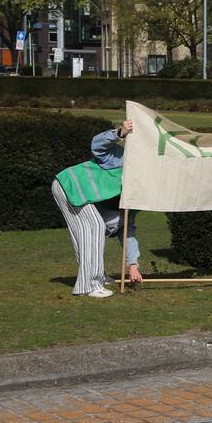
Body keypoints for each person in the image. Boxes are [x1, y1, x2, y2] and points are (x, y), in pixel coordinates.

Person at [51, 120, 143, 298]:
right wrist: (120, 132)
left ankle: (97, 277)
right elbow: (97, 145)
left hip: (79, 193)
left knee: (93, 230)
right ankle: (88, 286)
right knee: (95, 227)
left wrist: (133, 265)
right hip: (70, 185)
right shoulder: (124, 158)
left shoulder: (133, 201)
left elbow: (128, 233)